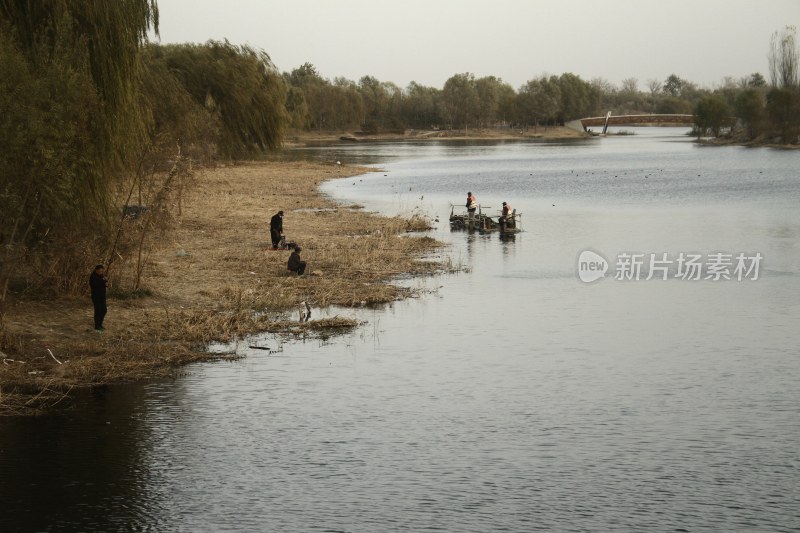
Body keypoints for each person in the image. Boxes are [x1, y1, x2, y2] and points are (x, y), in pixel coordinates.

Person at [89, 264, 108, 332]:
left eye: (102, 271)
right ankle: (97, 326)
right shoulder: (93, 277)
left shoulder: (101, 276)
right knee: (98, 311)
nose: (101, 273)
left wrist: (105, 281)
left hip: (102, 296)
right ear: (96, 270)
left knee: (104, 310)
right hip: (96, 297)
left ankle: (100, 324)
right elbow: (95, 284)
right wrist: (104, 281)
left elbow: (104, 283)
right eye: (100, 271)